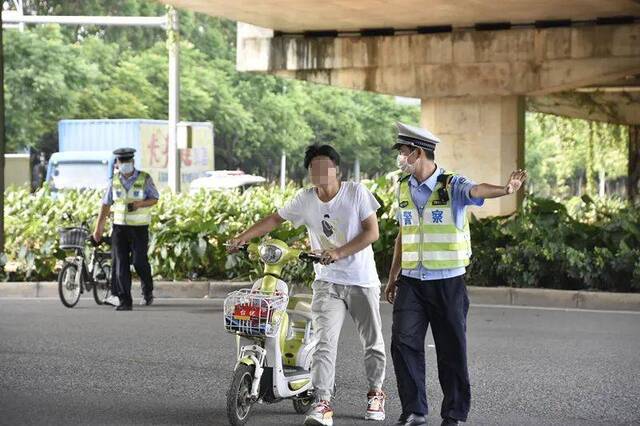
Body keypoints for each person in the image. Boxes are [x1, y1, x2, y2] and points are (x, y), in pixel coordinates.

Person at [227, 144, 387, 426]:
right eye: (314, 167)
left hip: (361, 280)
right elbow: (275, 219)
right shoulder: (305, 199)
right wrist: (242, 237)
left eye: (326, 166)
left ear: (337, 170)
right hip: (327, 282)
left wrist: (337, 253)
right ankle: (322, 402)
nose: (320, 172)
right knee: (325, 343)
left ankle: (376, 393)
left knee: (372, 343)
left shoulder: (356, 193)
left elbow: (371, 232)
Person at [385, 123, 528, 426]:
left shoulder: (451, 185)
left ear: (418, 152)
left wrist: (505, 189)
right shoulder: (402, 187)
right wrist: (392, 275)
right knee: (403, 342)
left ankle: (454, 414)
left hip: (447, 282)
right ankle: (414, 410)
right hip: (411, 281)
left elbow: (477, 190)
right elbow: (403, 234)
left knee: (451, 350)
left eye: (403, 152)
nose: (400, 158)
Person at [92, 148, 159, 311]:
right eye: (122, 162)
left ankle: (147, 290)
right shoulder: (113, 181)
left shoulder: (145, 178)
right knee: (120, 264)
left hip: (139, 228)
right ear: (117, 163)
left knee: (138, 262)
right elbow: (106, 205)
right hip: (119, 229)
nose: (124, 164)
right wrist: (98, 229)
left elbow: (154, 198)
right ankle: (125, 301)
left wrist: (139, 204)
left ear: (133, 162)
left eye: (127, 161)